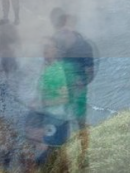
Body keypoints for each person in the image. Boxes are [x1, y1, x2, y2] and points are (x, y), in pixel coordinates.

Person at [51, 9, 95, 170]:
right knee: (62, 121)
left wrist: (81, 83)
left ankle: (84, 154)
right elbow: (50, 67)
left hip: (76, 90)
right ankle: (65, 157)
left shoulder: (83, 45)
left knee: (79, 121)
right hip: (62, 89)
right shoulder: (56, 44)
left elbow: (90, 72)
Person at [26, 38, 71, 172]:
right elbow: (41, 91)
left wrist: (42, 103)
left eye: (48, 47)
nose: (45, 49)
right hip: (47, 117)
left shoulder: (57, 71)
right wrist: (35, 101)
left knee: (47, 156)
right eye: (44, 46)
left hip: (56, 119)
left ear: (55, 50)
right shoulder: (45, 67)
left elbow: (64, 98)